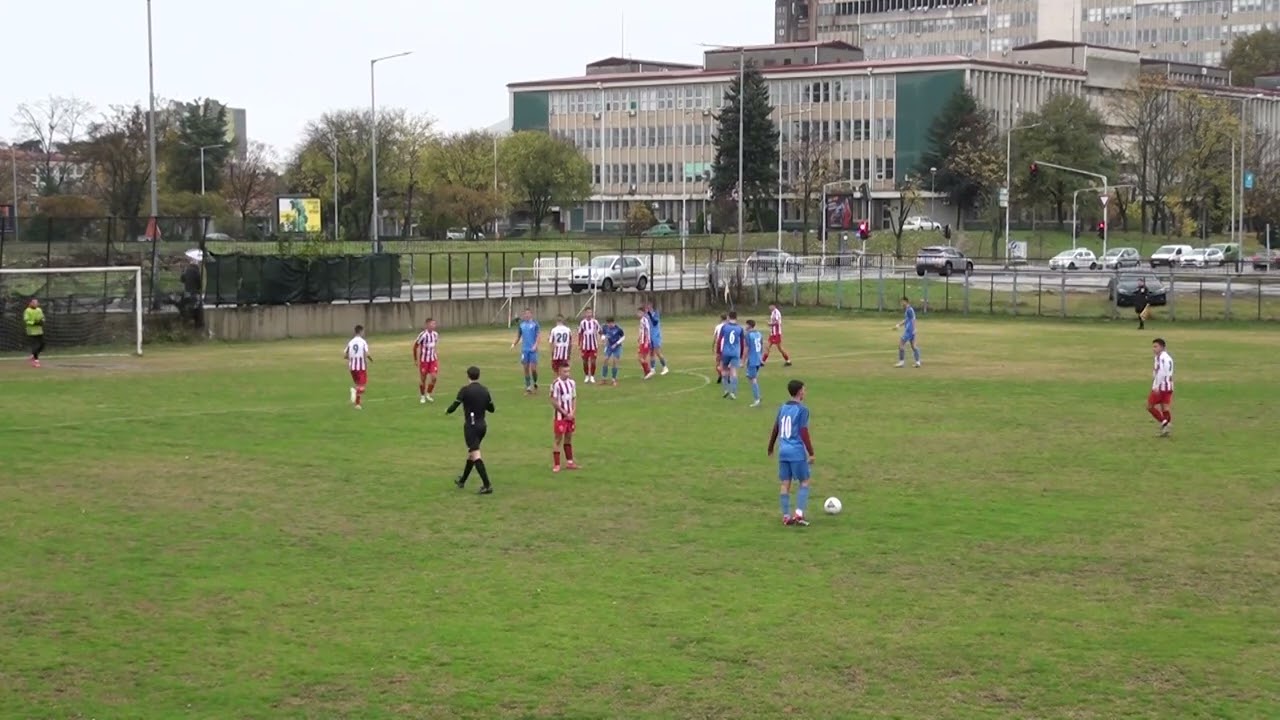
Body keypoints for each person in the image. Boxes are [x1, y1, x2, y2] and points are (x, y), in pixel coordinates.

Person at [767, 379, 816, 527]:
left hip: (783, 451)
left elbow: (776, 428)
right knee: (805, 481)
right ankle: (799, 514)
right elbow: (803, 431)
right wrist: (811, 452)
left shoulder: (782, 408)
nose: (805, 392)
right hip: (796, 451)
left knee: (785, 483)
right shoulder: (802, 410)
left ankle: (786, 516)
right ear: (800, 392)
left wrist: (770, 447)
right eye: (804, 390)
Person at [447, 365, 495, 494]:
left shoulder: (465, 390)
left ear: (468, 376)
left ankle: (487, 485)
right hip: (482, 426)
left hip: (471, 427)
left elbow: (455, 405)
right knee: (471, 454)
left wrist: (447, 411)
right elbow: (492, 409)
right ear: (478, 376)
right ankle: (462, 480)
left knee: (475, 455)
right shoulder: (485, 390)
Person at [549, 364, 579, 472]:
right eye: (565, 371)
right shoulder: (555, 384)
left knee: (568, 438)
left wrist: (573, 412)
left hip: (570, 415)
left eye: (568, 371)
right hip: (560, 416)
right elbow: (553, 401)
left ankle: (570, 462)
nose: (567, 373)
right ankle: (557, 464)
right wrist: (565, 413)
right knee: (558, 439)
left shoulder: (572, 383)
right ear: (559, 371)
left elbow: (574, 398)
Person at [1148, 338, 1174, 437]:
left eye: (1156, 346)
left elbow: (1161, 372)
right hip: (1169, 386)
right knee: (1165, 408)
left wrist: (1156, 385)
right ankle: (1165, 430)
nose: (1154, 349)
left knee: (1149, 406)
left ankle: (1165, 423)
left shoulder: (1162, 358)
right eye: (1153, 347)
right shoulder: (1162, 357)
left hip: (1162, 386)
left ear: (1162, 347)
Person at [511, 308, 541, 394]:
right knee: (526, 368)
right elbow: (518, 336)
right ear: (524, 315)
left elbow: (538, 336)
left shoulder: (535, 324)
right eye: (525, 314)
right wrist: (514, 344)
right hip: (525, 350)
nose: (527, 315)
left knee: (533, 369)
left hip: (533, 350)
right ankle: (528, 386)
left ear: (531, 314)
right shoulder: (521, 325)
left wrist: (535, 345)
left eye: (528, 313)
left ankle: (535, 381)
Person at [717, 311, 744, 400]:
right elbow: (742, 343)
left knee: (724, 370)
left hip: (726, 352)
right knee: (733, 371)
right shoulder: (740, 328)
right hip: (735, 352)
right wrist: (740, 355)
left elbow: (720, 340)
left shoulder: (724, 327)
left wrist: (718, 352)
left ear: (728, 317)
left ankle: (725, 390)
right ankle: (733, 392)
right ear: (736, 318)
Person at [344, 324, 371, 409]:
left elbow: (345, 355)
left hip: (352, 367)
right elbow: (367, 353)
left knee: (358, 385)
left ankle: (357, 404)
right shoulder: (363, 342)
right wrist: (370, 359)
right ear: (361, 331)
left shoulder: (351, 342)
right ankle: (355, 393)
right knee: (362, 387)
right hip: (361, 367)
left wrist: (352, 359)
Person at [413, 318, 439, 404]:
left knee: (434, 378)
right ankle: (422, 396)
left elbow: (434, 345)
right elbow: (415, 346)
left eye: (434, 324)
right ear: (427, 325)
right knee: (423, 379)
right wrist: (416, 359)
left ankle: (428, 393)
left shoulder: (435, 335)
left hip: (433, 360)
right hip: (424, 361)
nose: (433, 326)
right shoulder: (423, 335)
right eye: (432, 324)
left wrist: (435, 354)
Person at [894, 296, 921, 368]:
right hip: (911, 330)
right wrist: (899, 325)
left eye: (902, 302)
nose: (901, 303)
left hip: (909, 330)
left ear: (906, 302)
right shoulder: (907, 310)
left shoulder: (909, 310)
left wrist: (914, 328)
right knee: (913, 346)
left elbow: (913, 319)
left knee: (901, 344)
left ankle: (901, 362)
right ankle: (918, 362)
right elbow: (906, 320)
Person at [644, 303, 670, 376]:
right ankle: (652, 369)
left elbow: (655, 322)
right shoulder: (646, 316)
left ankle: (665, 367)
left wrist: (649, 314)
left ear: (651, 307)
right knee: (651, 353)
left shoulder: (655, 314)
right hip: (650, 337)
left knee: (657, 352)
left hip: (656, 336)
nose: (647, 308)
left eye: (648, 307)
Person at [744, 319, 765, 407]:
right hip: (758, 359)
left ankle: (757, 399)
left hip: (752, 360)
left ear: (749, 325)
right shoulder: (759, 334)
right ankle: (758, 395)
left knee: (753, 379)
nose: (745, 326)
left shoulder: (748, 335)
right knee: (749, 376)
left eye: (746, 325)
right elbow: (761, 347)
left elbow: (747, 348)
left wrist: (742, 361)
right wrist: (761, 358)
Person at [578, 308, 601, 383]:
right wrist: (579, 344)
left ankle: (592, 376)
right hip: (585, 346)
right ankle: (587, 375)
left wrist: (602, 336)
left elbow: (600, 330)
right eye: (588, 312)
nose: (589, 314)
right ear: (585, 314)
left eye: (590, 312)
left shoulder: (595, 322)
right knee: (585, 361)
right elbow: (580, 333)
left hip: (594, 346)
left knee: (593, 361)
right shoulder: (582, 323)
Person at [601, 316, 625, 385]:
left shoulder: (618, 329)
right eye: (608, 324)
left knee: (614, 361)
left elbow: (623, 337)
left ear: (613, 322)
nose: (609, 325)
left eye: (610, 323)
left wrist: (617, 343)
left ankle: (613, 379)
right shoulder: (605, 327)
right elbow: (603, 334)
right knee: (605, 360)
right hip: (609, 346)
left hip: (617, 347)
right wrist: (603, 339)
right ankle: (604, 378)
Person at [24, 298, 45, 368]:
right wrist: (34, 323)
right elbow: (26, 321)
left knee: (42, 345)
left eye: (36, 303)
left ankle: (33, 355)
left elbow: (42, 318)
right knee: (35, 346)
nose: (36, 304)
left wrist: (42, 321)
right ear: (31, 303)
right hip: (31, 330)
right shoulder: (27, 310)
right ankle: (36, 362)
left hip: (39, 330)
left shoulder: (39, 310)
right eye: (34, 303)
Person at [637, 307, 655, 379]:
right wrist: (639, 337)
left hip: (645, 341)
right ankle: (646, 373)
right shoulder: (641, 320)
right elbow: (642, 330)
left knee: (640, 358)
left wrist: (646, 342)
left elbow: (647, 330)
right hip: (642, 341)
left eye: (639, 312)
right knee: (642, 358)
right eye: (638, 312)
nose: (638, 314)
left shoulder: (644, 320)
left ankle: (649, 371)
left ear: (643, 313)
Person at [712, 313, 728, 386]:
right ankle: (727, 376)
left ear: (721, 318)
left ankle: (720, 375)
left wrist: (713, 346)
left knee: (718, 362)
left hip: (719, 346)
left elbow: (715, 337)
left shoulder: (718, 326)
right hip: (728, 346)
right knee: (727, 363)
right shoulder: (729, 326)